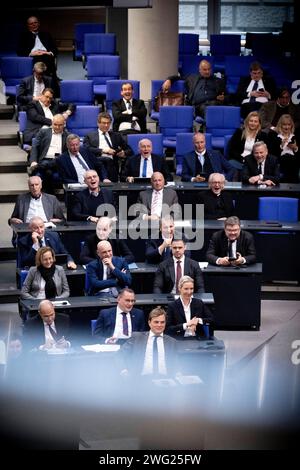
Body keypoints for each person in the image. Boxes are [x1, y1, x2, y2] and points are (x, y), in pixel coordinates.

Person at [120, 307, 178, 378]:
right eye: (156, 322)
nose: (159, 325)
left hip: (165, 381)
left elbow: (176, 363)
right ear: (149, 323)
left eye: (162, 322)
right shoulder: (137, 337)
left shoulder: (172, 342)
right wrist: (124, 371)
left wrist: (178, 373)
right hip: (140, 380)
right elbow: (120, 355)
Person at [162, 59, 226, 118]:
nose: (207, 72)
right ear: (200, 70)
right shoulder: (192, 78)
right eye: (205, 69)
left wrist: (224, 98)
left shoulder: (218, 81)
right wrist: (169, 80)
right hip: (198, 106)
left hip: (214, 104)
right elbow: (178, 77)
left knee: (213, 108)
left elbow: (227, 96)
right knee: (208, 110)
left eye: (209, 69)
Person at [83, 112, 133, 182]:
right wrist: (103, 150)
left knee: (110, 164)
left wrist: (123, 153)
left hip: (112, 165)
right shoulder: (90, 136)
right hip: (97, 163)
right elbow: (86, 150)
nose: (106, 125)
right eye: (104, 123)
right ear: (98, 123)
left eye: (108, 123)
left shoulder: (116, 136)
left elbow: (129, 150)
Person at [266, 114, 299, 183]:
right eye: (284, 125)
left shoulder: (296, 135)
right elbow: (270, 153)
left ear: (291, 125)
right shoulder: (273, 135)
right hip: (279, 160)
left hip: (294, 161)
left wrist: (295, 148)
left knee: (292, 160)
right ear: (280, 125)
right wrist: (281, 145)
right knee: (287, 159)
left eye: (289, 125)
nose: (287, 127)